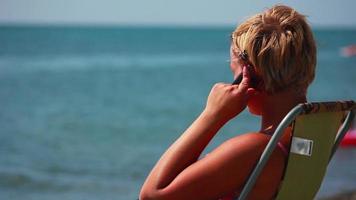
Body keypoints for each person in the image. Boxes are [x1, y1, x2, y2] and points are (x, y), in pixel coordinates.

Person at [140, 4, 316, 200]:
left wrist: (212, 115)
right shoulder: (312, 135)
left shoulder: (255, 150)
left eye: (234, 72)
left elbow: (151, 196)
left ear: (248, 76)